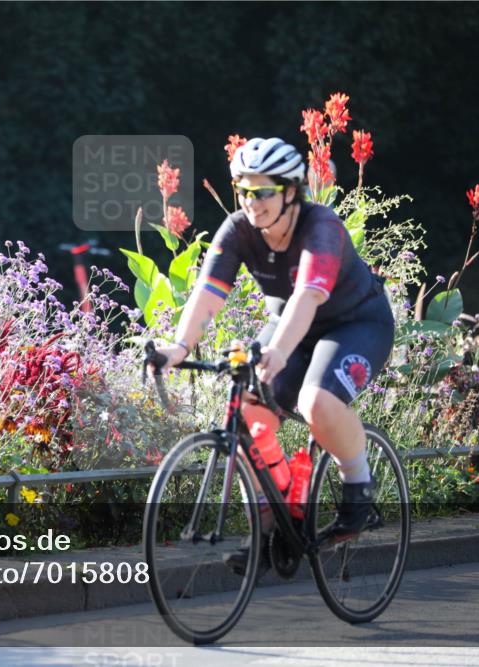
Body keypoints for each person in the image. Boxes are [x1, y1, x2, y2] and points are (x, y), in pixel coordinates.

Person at [150, 137, 395, 575]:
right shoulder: (238, 229)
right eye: (243, 190)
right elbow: (207, 294)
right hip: (289, 325)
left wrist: (278, 351)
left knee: (316, 402)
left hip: (355, 324)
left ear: (290, 191)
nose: (251, 201)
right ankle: (273, 519)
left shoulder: (321, 227)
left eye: (262, 191)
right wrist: (180, 346)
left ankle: (358, 485)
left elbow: (306, 296)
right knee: (246, 412)